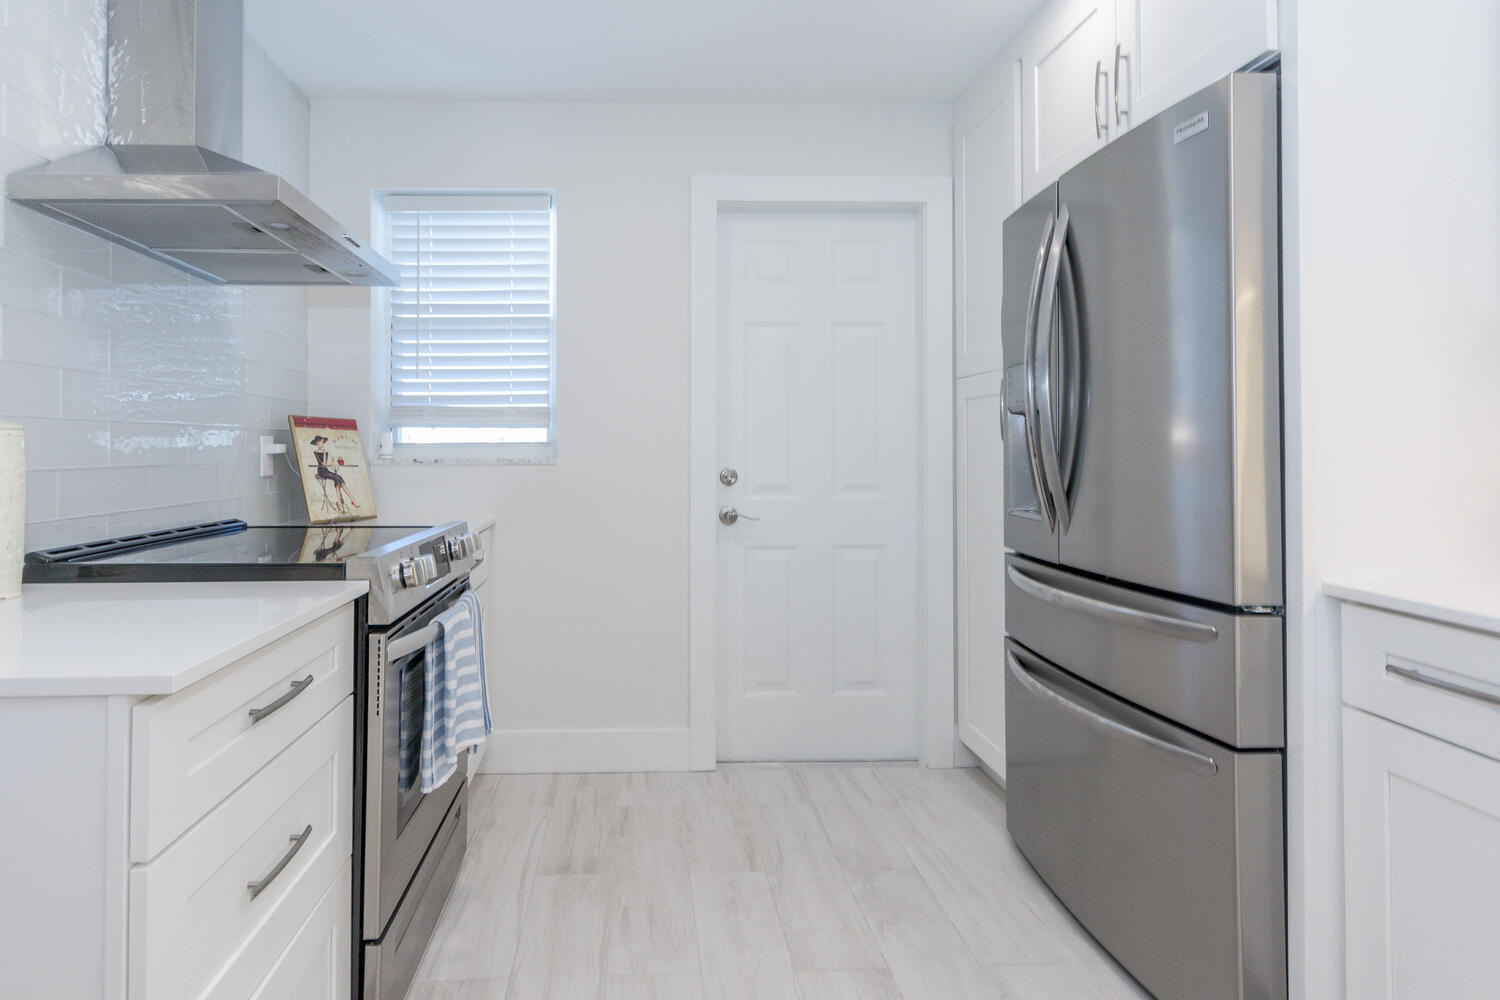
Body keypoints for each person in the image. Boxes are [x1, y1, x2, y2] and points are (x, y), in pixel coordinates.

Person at [309, 435, 361, 512]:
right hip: (321, 471)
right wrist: (324, 452)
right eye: (321, 442)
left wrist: (331, 462)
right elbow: (323, 464)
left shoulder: (325, 452)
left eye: (323, 442)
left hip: (326, 470)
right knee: (336, 478)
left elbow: (326, 464)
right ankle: (339, 502)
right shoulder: (316, 452)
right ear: (317, 443)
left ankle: (351, 500)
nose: (322, 443)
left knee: (339, 477)